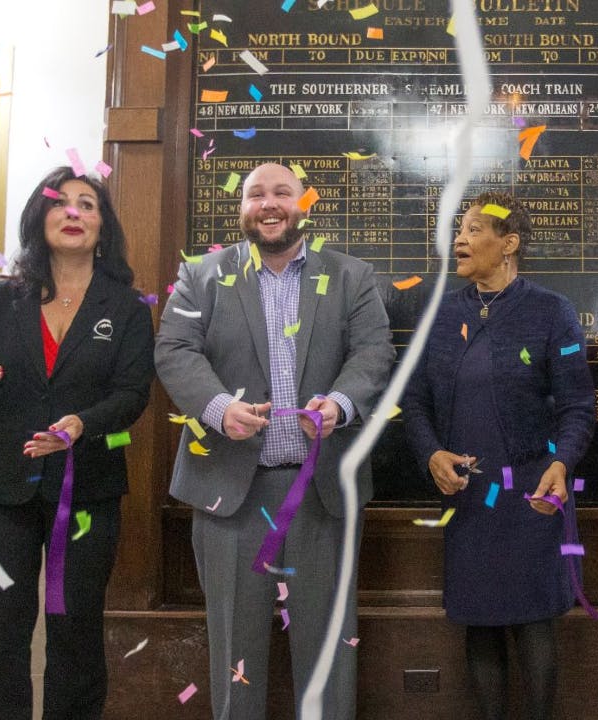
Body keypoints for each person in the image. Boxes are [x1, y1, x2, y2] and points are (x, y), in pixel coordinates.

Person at [155, 162, 393, 719]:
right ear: (241, 209)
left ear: (302, 204)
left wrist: (340, 404)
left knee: (328, 654)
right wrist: (219, 409)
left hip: (321, 496)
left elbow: (374, 351)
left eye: (282, 192)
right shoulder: (200, 276)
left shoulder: (352, 276)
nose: (269, 203)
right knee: (235, 656)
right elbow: (174, 349)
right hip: (230, 496)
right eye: (255, 194)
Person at [0, 166, 155, 720]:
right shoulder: (0, 300)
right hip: (2, 490)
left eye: (87, 204)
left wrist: (81, 424)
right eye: (60, 202)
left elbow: (133, 395)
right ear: (39, 219)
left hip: (87, 492)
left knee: (76, 631)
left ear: (103, 226)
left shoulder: (128, 308)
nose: (73, 213)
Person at [403, 191, 595, 720]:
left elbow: (578, 406)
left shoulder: (551, 312)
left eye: (473, 229)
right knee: (480, 623)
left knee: (535, 622)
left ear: (508, 244)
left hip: (534, 492)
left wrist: (562, 463)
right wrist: (431, 454)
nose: (459, 240)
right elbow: (413, 401)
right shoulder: (441, 315)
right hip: (470, 499)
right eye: (458, 230)